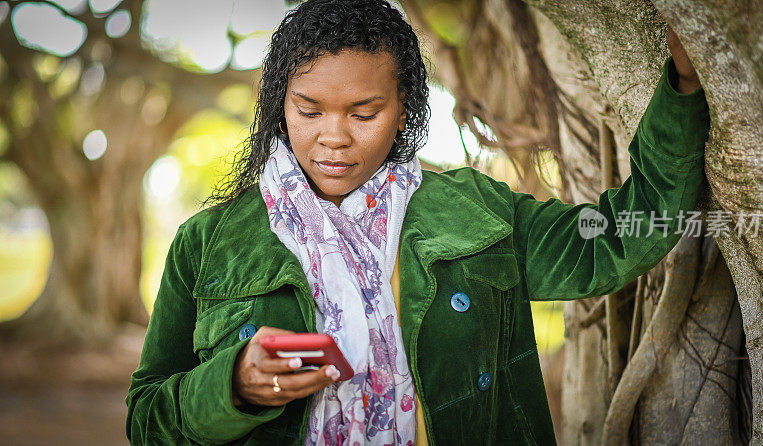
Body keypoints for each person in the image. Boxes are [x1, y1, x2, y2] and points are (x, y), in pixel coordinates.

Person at [125, 0, 710, 444]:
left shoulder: (473, 210)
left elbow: (618, 237)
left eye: (364, 113)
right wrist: (234, 387)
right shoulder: (208, 246)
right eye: (308, 110)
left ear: (405, 107)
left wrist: (683, 86)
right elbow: (146, 419)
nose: (333, 137)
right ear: (280, 103)